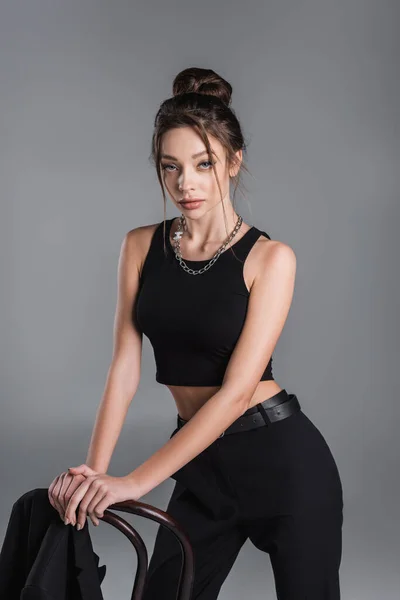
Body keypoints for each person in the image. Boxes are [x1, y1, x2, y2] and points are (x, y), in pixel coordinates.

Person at [48, 67, 344, 599]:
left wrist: (136, 482)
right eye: (171, 167)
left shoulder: (270, 259)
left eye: (203, 164)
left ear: (233, 162)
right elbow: (124, 365)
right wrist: (95, 471)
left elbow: (235, 394)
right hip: (201, 463)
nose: (185, 184)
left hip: (282, 462)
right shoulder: (140, 246)